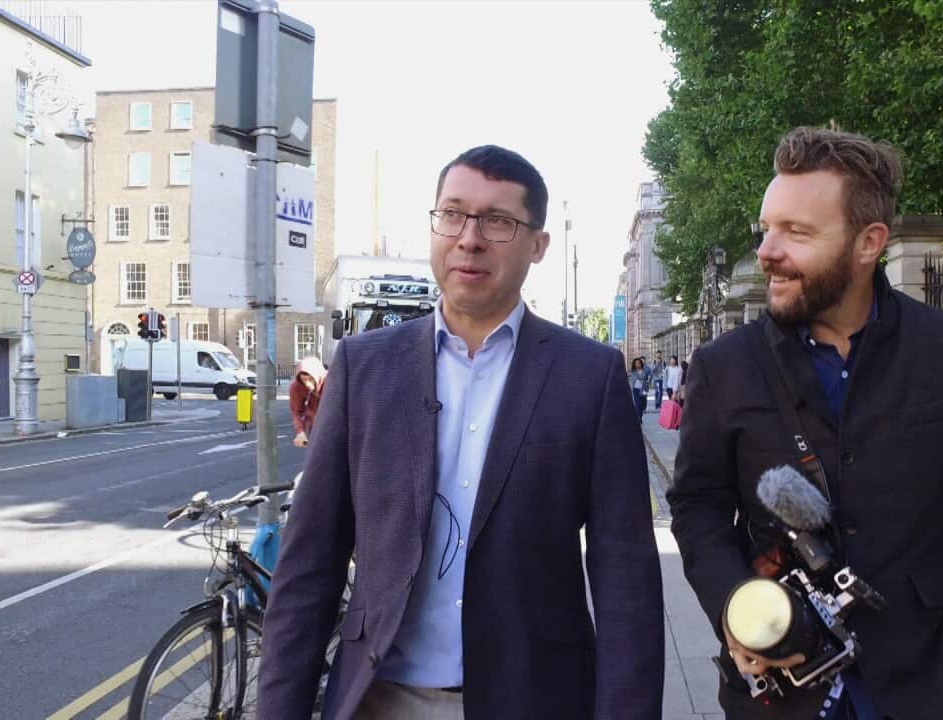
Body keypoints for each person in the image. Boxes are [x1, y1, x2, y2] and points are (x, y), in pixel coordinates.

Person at [259, 145, 664, 720]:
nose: (469, 237)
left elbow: (626, 579)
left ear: (538, 245)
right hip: (380, 698)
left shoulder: (589, 376)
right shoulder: (363, 366)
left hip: (534, 698)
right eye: (453, 214)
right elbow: (309, 564)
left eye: (498, 221)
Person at [667, 127, 943, 720]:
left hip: (919, 687)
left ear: (869, 243)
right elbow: (697, 506)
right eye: (767, 228)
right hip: (776, 689)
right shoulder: (723, 365)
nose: (767, 250)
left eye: (796, 232)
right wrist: (736, 609)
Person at [289, 356, 327, 448]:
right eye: (304, 380)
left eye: (310, 379)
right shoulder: (296, 387)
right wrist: (300, 432)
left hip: (335, 426)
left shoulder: (331, 381)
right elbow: (297, 411)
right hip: (314, 426)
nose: (307, 384)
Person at [628, 357, 649, 422]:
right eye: (636, 363)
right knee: (637, 403)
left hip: (644, 388)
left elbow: (649, 377)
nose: (637, 365)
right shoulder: (632, 371)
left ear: (641, 364)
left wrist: (647, 382)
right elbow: (629, 379)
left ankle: (640, 415)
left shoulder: (645, 370)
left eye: (638, 363)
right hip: (636, 388)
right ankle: (639, 418)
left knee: (643, 404)